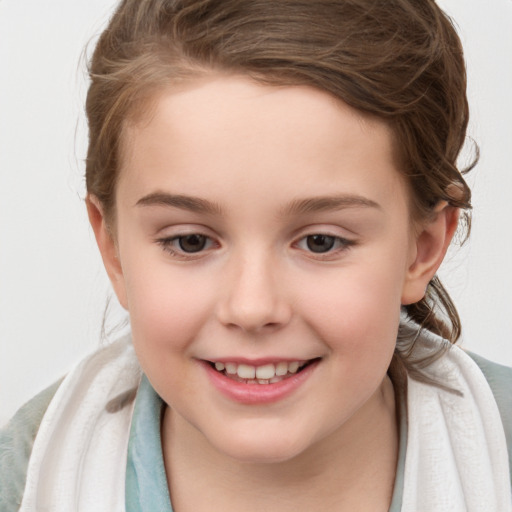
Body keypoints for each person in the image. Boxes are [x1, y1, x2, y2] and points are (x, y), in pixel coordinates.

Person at [1, 0, 511, 510]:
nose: (252, 308)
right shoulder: (25, 475)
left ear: (421, 249)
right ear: (113, 248)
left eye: (321, 242)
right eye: (190, 241)